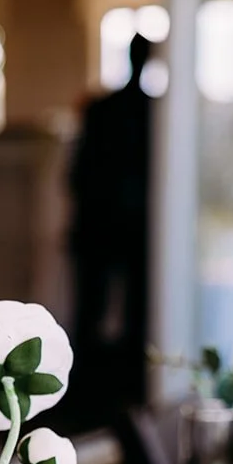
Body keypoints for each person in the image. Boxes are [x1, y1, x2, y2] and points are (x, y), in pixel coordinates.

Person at [68, 33, 153, 412]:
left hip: (112, 221)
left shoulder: (105, 108)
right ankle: (97, 383)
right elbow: (79, 173)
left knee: (105, 305)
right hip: (121, 222)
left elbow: (77, 173)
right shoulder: (142, 110)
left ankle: (99, 383)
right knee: (102, 305)